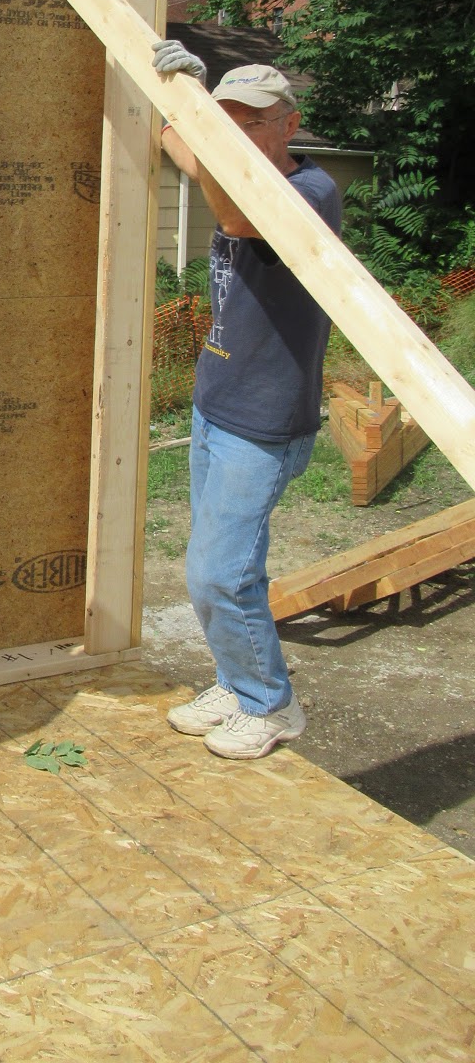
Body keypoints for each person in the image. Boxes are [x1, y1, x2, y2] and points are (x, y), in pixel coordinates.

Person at [151, 42, 342, 759]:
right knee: (232, 567)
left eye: (252, 120)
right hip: (216, 402)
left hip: (265, 420)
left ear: (288, 124)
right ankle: (237, 681)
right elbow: (173, 141)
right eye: (227, 117)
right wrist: (174, 90)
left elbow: (235, 220)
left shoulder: (310, 192)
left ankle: (271, 705)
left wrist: (203, 127)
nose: (237, 129)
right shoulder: (232, 167)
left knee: (216, 572)